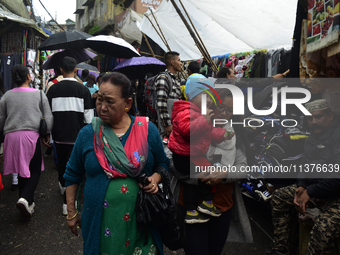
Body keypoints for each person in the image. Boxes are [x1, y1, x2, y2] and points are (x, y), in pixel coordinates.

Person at [64, 72, 169, 255]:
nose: (102, 107)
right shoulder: (88, 134)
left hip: (142, 221)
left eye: (110, 102)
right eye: (99, 100)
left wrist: (154, 178)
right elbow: (72, 174)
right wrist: (71, 212)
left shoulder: (147, 131)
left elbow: (163, 164)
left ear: (128, 104)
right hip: (100, 221)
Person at [170, 87, 252, 254]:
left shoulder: (234, 134)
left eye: (229, 110)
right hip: (191, 206)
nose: (223, 113)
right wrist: (198, 176)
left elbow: (243, 168)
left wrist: (224, 175)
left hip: (221, 205)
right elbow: (173, 162)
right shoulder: (190, 125)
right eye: (220, 107)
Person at [268, 99, 340, 255]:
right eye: (310, 118)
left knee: (323, 229)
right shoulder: (313, 137)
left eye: (318, 117)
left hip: (336, 196)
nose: (314, 122)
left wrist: (310, 192)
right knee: (279, 197)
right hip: (317, 190)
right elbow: (304, 166)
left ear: (330, 116)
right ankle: (280, 249)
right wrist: (301, 187)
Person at [168, 75, 233, 224]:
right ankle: (206, 203)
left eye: (210, 97)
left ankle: (192, 211)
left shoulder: (199, 114)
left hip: (191, 155)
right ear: (191, 96)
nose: (209, 101)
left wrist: (223, 134)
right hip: (185, 156)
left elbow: (209, 132)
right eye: (204, 96)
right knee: (207, 172)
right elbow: (187, 132)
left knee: (195, 181)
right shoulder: (186, 112)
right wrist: (204, 119)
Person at [0, 64, 53, 218]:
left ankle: (26, 203)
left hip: (11, 137)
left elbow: (1, 120)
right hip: (31, 136)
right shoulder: (39, 94)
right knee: (34, 169)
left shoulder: (7, 96)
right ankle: (25, 198)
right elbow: (48, 116)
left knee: (22, 170)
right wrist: (46, 133)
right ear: (29, 77)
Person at [46, 57, 93, 216]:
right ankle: (68, 202)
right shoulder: (84, 90)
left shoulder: (52, 89)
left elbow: (48, 115)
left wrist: (48, 134)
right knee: (75, 167)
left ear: (60, 70)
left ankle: (63, 186)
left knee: (63, 163)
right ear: (75, 70)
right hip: (77, 136)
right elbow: (88, 118)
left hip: (58, 135)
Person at [155, 51, 184, 137]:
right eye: (179, 60)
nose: (181, 63)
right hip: (166, 126)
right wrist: (167, 124)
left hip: (174, 123)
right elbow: (161, 102)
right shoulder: (163, 78)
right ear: (172, 62)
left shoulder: (174, 79)